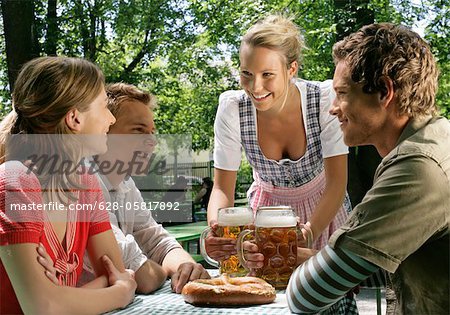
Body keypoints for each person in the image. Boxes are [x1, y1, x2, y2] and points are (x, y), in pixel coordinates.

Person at [286, 23, 450, 314]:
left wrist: (317, 266)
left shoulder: (417, 167)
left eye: (343, 93)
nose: (333, 107)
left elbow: (305, 295)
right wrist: (327, 260)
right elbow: (394, 262)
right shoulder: (436, 138)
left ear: (384, 91)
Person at [205, 14, 356, 313]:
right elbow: (222, 189)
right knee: (264, 298)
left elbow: (337, 182)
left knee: (326, 300)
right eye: (246, 74)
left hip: (322, 211)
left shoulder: (324, 98)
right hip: (266, 215)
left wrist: (308, 232)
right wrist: (217, 228)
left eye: (267, 74)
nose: (255, 87)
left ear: (291, 69)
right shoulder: (232, 109)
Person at [0, 56, 141, 314]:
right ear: (75, 119)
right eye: (103, 107)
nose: (110, 119)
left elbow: (119, 273)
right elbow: (42, 307)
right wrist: (118, 294)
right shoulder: (14, 181)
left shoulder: (85, 182)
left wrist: (60, 296)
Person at [73, 83, 210, 294]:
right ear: (103, 130)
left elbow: (156, 240)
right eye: (138, 130)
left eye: (152, 132)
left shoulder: (126, 184)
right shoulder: (82, 181)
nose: (152, 141)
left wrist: (186, 266)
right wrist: (160, 270)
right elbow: (143, 277)